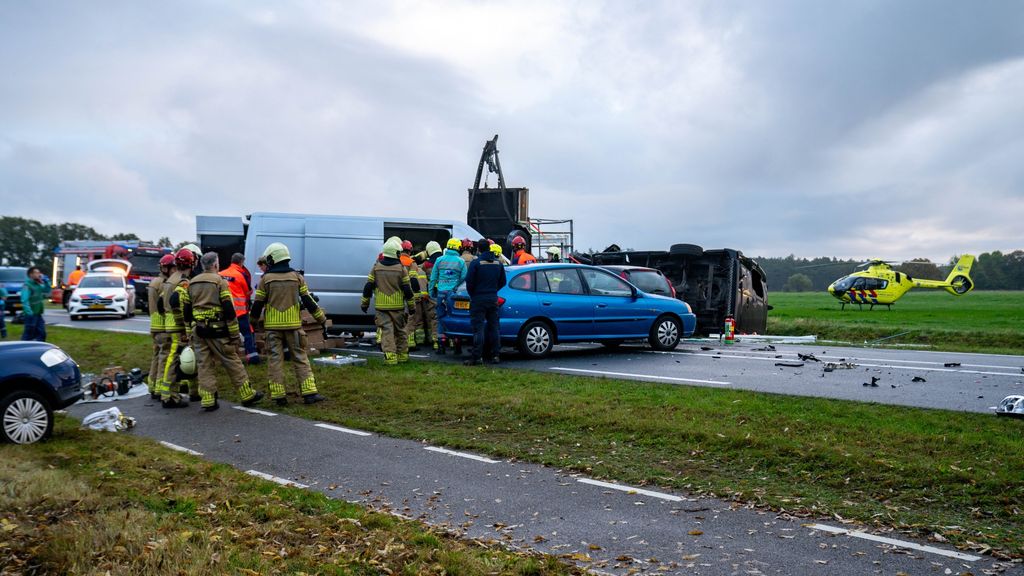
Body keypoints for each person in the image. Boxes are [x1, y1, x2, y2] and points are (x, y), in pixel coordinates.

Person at [183, 252, 265, 411]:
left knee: (204, 364)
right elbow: (229, 309)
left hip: (199, 331)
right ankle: (246, 394)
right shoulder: (219, 282)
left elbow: (186, 311)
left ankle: (208, 399)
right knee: (231, 361)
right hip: (218, 330)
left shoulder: (192, 283)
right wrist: (234, 336)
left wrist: (189, 331)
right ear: (215, 265)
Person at [250, 242, 327, 405]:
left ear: (273, 259)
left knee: (275, 360)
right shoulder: (297, 277)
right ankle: (309, 394)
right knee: (300, 357)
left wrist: (253, 322)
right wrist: (321, 319)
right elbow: (308, 301)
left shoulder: (266, 280)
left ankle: (279, 397)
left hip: (273, 329)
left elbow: (257, 304)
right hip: (294, 327)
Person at [361, 237, 416, 365]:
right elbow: (407, 289)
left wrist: (365, 303)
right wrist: (412, 306)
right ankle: (402, 356)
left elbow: (368, 286)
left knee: (387, 331)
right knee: (401, 331)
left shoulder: (376, 267)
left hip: (381, 307)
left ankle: (390, 358)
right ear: (396, 253)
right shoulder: (401, 269)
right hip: (398, 307)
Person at [160, 250, 196, 408]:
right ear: (191, 263)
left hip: (169, 323)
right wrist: (183, 329)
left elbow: (162, 302)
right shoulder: (182, 281)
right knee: (174, 361)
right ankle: (169, 397)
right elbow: (178, 303)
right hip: (177, 326)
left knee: (171, 359)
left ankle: (170, 394)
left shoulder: (170, 279)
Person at [464, 243, 507, 366]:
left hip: (478, 299)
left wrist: (474, 295)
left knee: (478, 328)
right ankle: (496, 355)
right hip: (493, 298)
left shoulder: (476, 263)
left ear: (479, 249)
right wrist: (493, 290)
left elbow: (469, 282)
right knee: (494, 327)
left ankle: (477, 357)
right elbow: (503, 281)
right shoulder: (498, 263)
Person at [428, 238, 468, 355]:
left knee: (441, 319)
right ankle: (457, 345)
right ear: (457, 248)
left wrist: (431, 292)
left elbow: (433, 278)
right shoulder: (460, 262)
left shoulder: (439, 260)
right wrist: (455, 286)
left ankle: (441, 346)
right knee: (455, 318)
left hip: (440, 293)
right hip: (453, 295)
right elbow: (464, 277)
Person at [220, 252, 260, 364]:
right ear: (241, 262)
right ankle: (252, 358)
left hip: (224, 312)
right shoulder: (241, 274)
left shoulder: (220, 274)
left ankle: (226, 359)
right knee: (247, 334)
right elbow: (248, 292)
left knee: (226, 336)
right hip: (239, 312)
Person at [147, 254, 174, 399]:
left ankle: (152, 386)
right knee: (165, 357)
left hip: (155, 327)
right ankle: (159, 388)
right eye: (173, 268)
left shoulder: (154, 282)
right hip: (163, 327)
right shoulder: (164, 284)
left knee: (156, 356)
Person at [398, 240, 425, 350]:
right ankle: (409, 343)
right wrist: (417, 293)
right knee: (410, 318)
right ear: (410, 250)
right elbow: (413, 280)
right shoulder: (411, 262)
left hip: (397, 293)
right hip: (408, 292)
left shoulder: (396, 261)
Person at [419, 241, 442, 351]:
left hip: (432, 294)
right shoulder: (444, 261)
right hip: (446, 293)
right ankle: (451, 341)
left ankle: (436, 342)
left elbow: (418, 269)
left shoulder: (426, 265)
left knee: (433, 318)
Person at [20, 267, 48, 342]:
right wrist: (29, 313)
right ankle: (22, 350)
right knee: (29, 334)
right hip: (31, 314)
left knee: (42, 333)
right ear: (31, 274)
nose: (39, 274)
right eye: (36, 273)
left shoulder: (38, 284)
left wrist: (46, 281)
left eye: (39, 272)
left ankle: (38, 350)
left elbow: (47, 290)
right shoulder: (27, 285)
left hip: (38, 313)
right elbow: (24, 300)